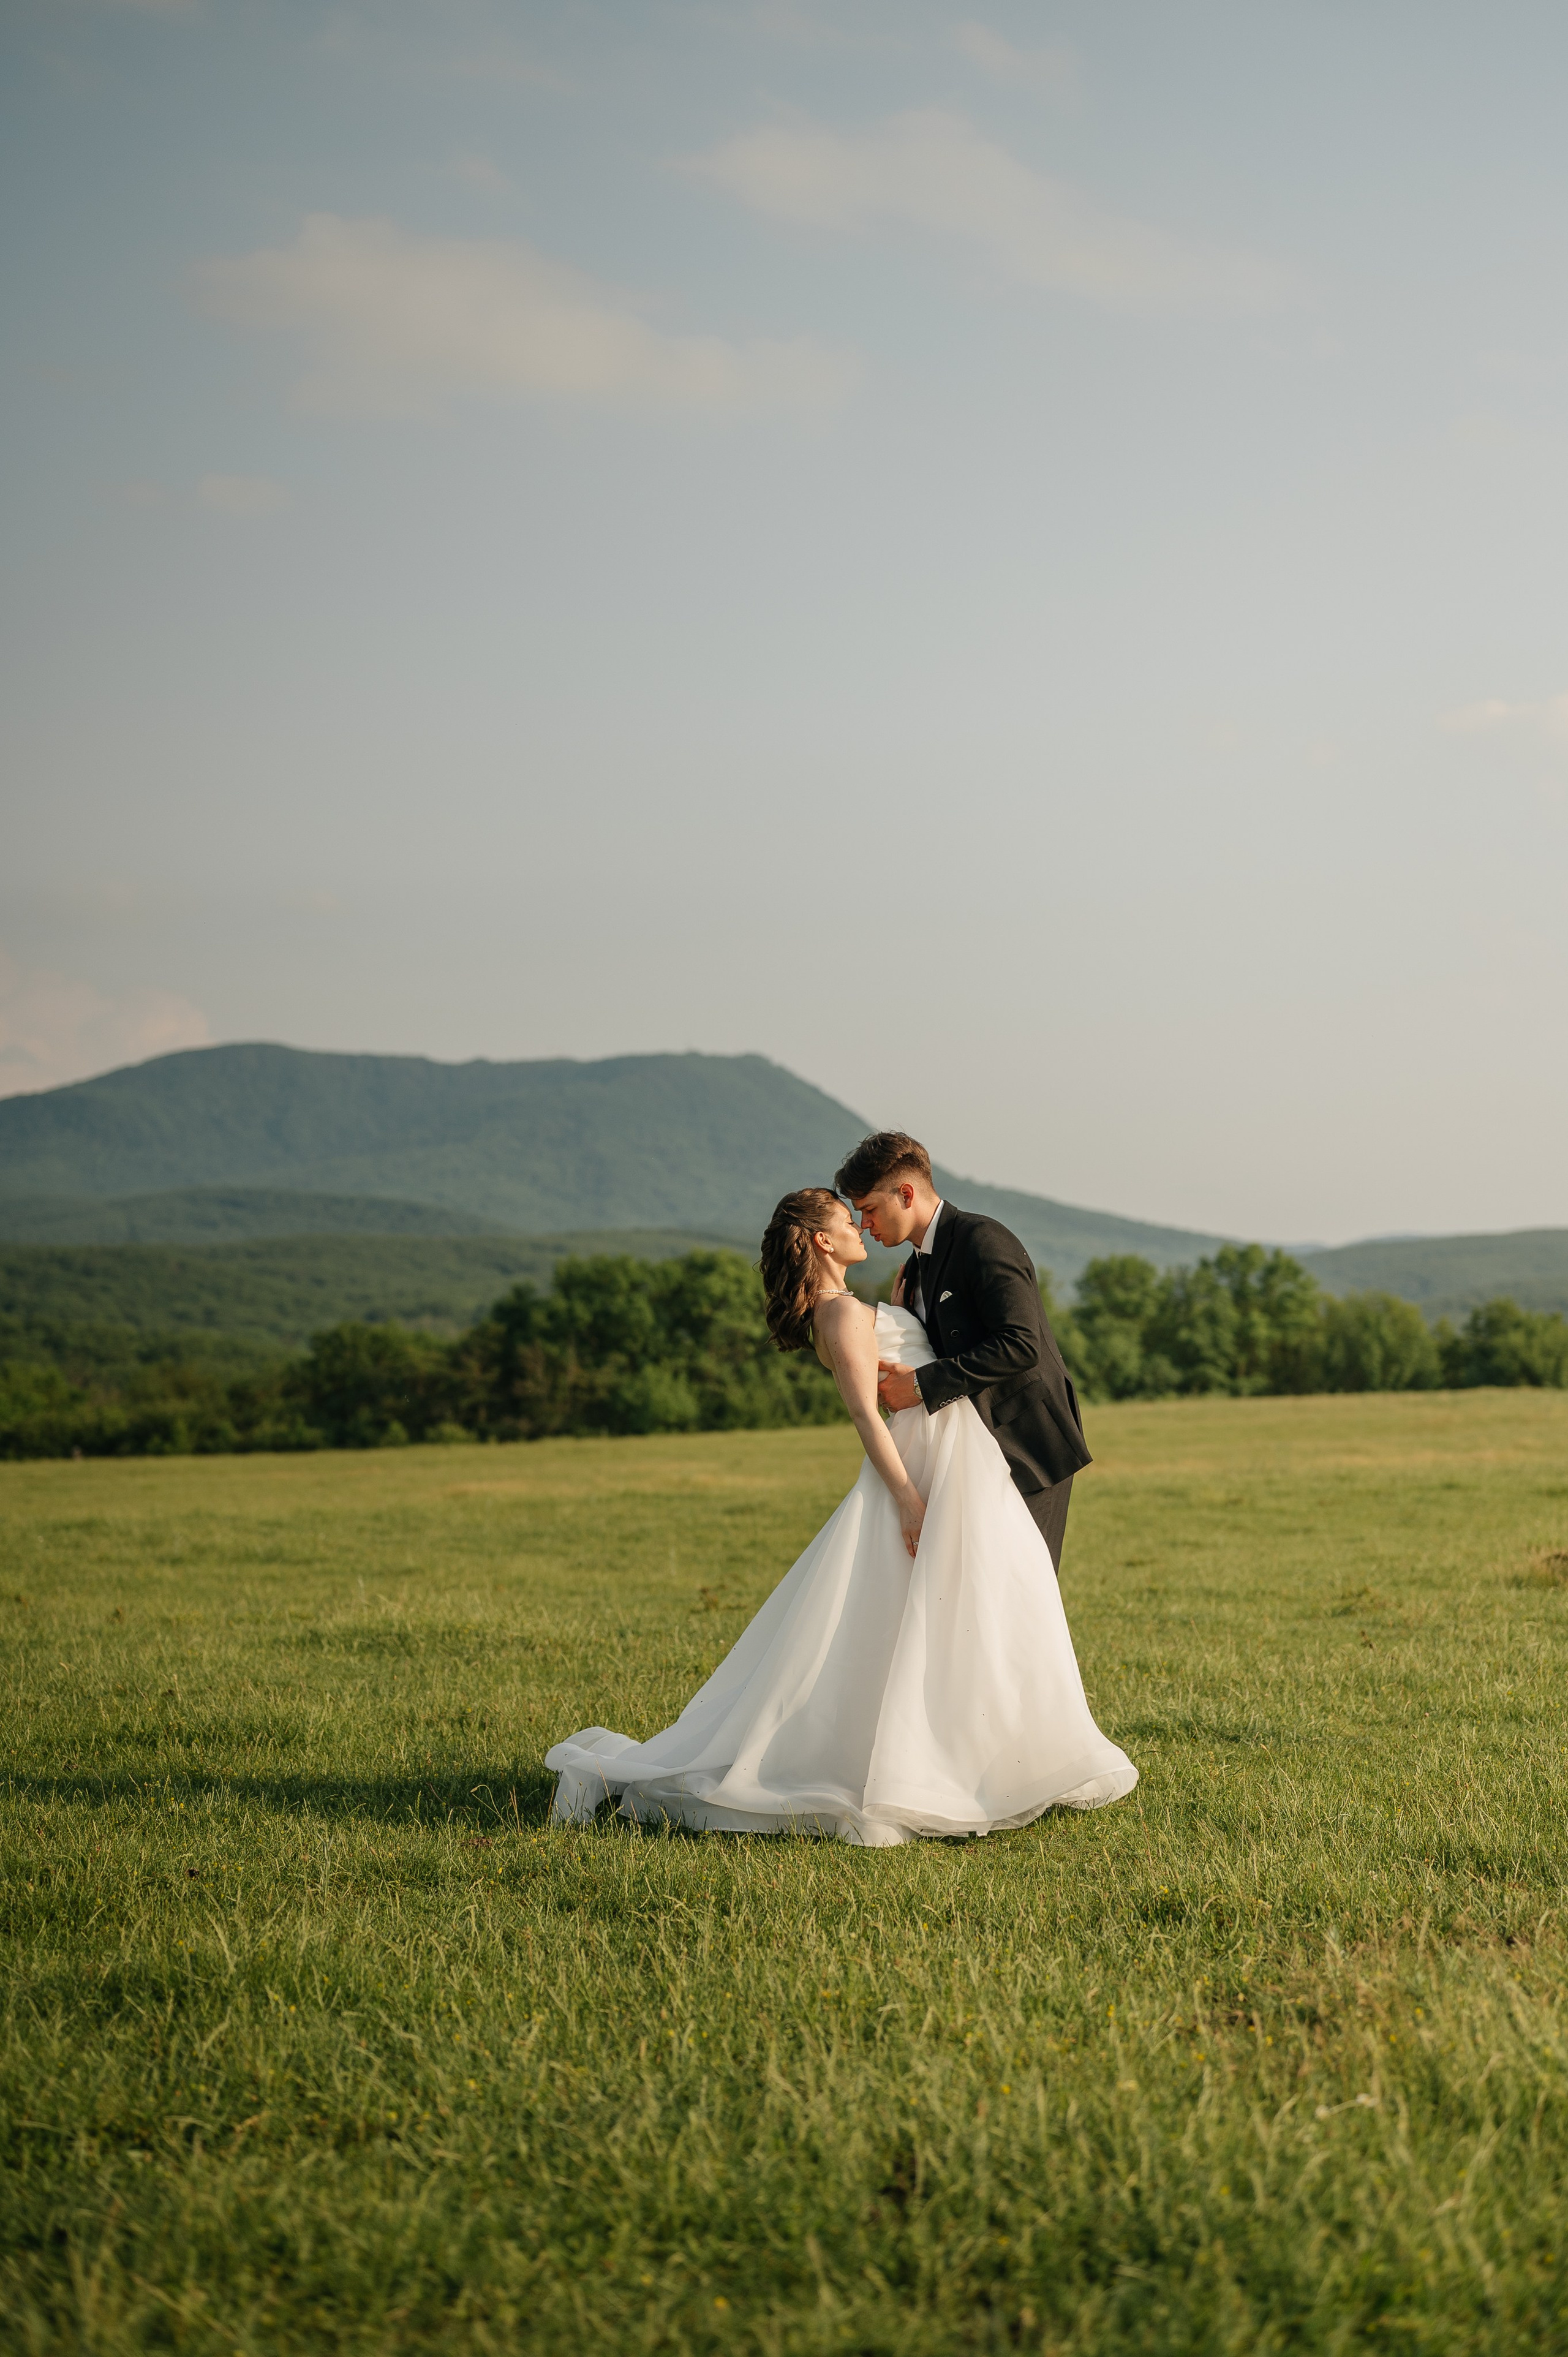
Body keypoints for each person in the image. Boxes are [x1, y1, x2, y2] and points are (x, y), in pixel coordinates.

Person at [546, 1185, 1136, 1846]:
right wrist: (909, 1498)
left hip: (956, 1456)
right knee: (962, 1609)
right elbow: (865, 1414)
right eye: (845, 1221)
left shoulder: (848, 1307)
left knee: (968, 1608)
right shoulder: (844, 1315)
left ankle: (989, 1754)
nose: (860, 1227)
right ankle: (965, 1762)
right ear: (823, 1242)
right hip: (926, 1467)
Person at [837, 1131, 1088, 1574]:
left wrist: (918, 1385)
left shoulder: (982, 1239)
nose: (864, 1225)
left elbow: (1021, 1344)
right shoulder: (915, 1267)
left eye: (870, 1209)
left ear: (907, 1194)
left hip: (1025, 1445)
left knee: (1022, 1587)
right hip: (968, 1452)